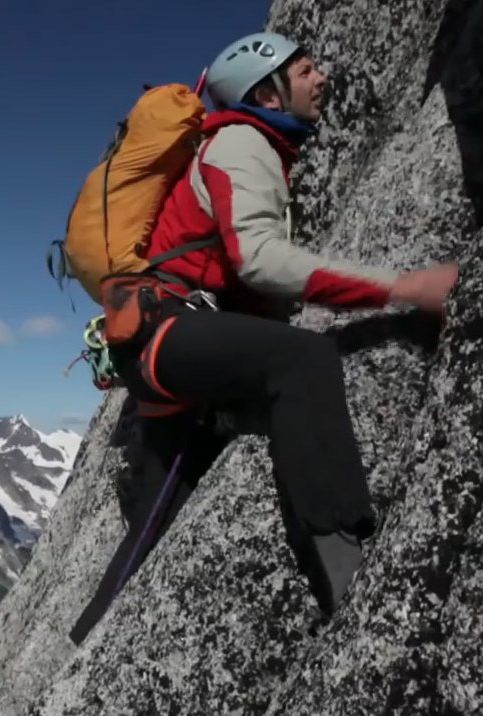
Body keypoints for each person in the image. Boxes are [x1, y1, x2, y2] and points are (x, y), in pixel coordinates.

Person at [69, 31, 458, 644]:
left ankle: (81, 654)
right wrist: (402, 286)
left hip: (158, 345)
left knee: (151, 531)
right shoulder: (243, 142)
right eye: (304, 70)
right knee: (301, 360)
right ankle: (349, 573)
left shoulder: (249, 149)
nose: (321, 77)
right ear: (267, 91)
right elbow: (259, 261)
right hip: (171, 332)